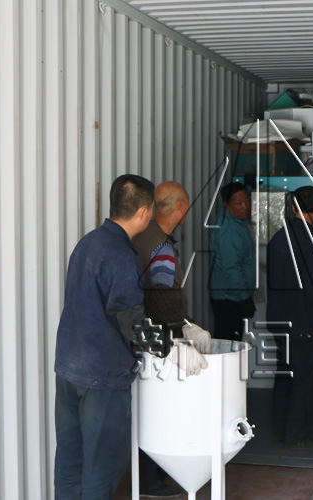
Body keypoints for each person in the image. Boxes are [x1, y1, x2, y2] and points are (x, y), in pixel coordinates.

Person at [54, 174, 207, 500]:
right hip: (101, 376)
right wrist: (172, 349)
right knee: (102, 467)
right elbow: (131, 322)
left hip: (67, 370)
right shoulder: (122, 256)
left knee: (70, 459)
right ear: (144, 211)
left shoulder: (87, 243)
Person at [131, 181, 212, 498]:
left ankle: (150, 477)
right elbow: (163, 296)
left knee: (150, 409)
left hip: (145, 337)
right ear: (180, 207)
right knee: (163, 411)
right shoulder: (160, 246)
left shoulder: (141, 237)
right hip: (162, 340)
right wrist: (184, 328)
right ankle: (151, 481)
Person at [266, 186, 313, 449]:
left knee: (284, 376)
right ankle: (295, 436)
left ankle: (278, 430)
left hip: (280, 322)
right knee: (304, 382)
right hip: (304, 323)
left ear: (292, 207)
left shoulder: (278, 238)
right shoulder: (311, 243)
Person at [209, 182, 256, 341]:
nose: (245, 206)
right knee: (228, 345)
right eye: (238, 203)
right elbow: (232, 268)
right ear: (226, 204)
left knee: (232, 343)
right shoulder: (228, 230)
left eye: (247, 201)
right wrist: (245, 298)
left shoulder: (236, 221)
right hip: (229, 299)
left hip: (233, 295)